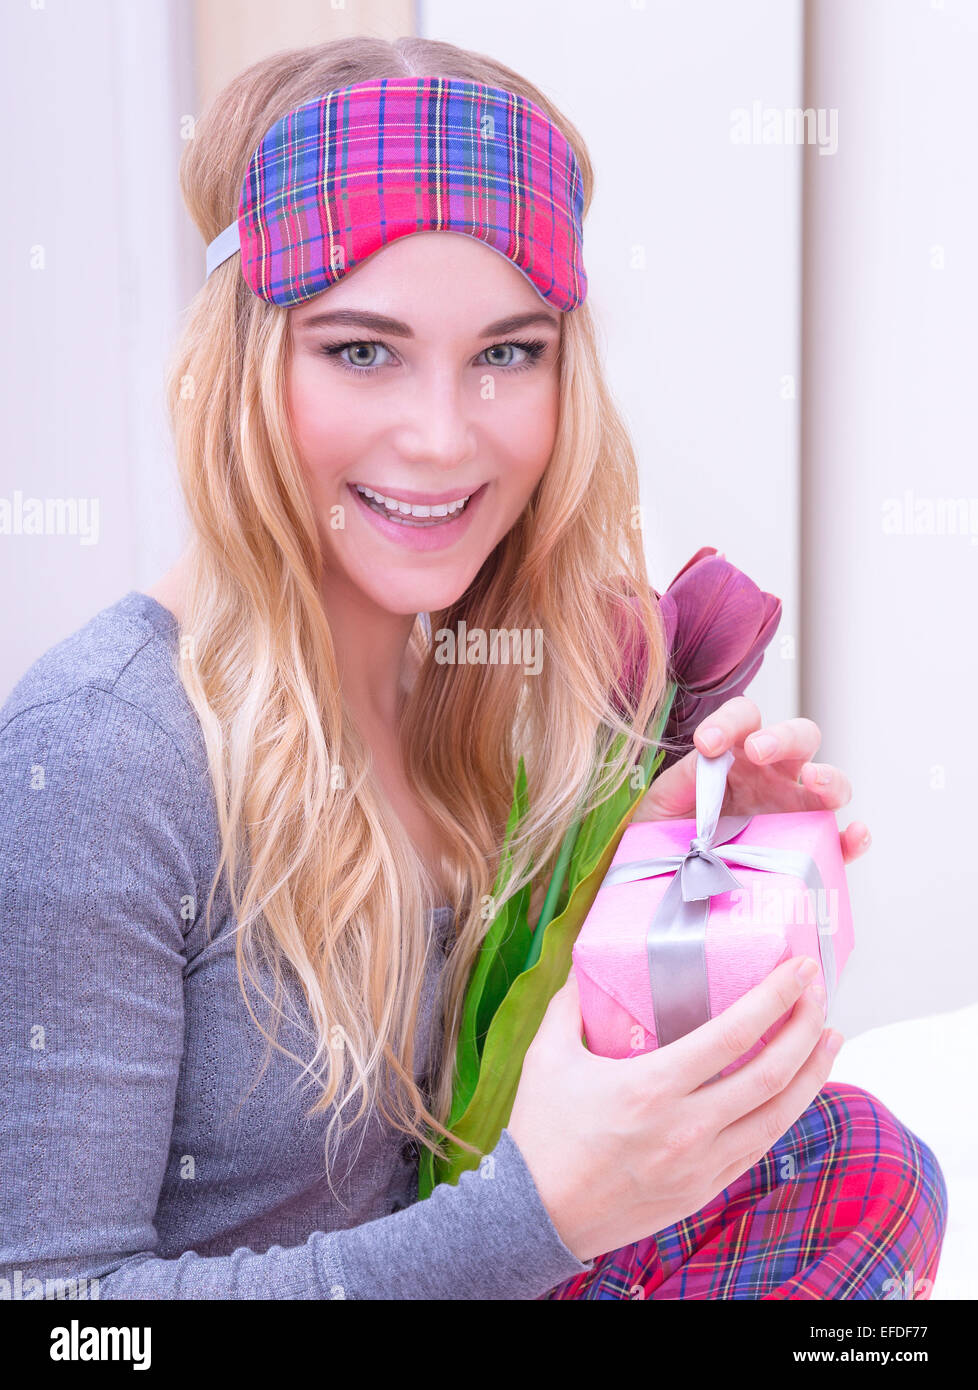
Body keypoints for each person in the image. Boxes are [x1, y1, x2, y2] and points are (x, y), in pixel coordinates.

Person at [0, 34, 946, 1301]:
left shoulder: (492, 677)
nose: (443, 439)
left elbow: (484, 1131)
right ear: (243, 365)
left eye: (508, 353)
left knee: (862, 1160)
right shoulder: (108, 749)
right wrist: (533, 1217)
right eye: (360, 349)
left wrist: (643, 892)